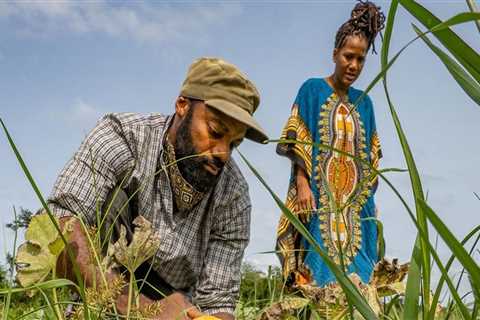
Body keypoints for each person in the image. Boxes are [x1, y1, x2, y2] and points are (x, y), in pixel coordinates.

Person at [49, 57, 268, 319]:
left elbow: (218, 301)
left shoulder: (233, 196)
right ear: (182, 105)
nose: (222, 153)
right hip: (102, 296)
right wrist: (147, 310)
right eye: (215, 131)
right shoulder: (124, 136)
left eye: (234, 143)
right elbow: (58, 228)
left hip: (178, 308)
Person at [276, 1, 385, 288]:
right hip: (317, 203)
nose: (353, 65)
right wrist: (302, 184)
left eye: (361, 60)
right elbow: (297, 140)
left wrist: (368, 203)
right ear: (335, 53)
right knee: (314, 275)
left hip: (356, 211)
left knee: (361, 279)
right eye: (348, 56)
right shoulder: (312, 89)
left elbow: (371, 159)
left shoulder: (366, 102)